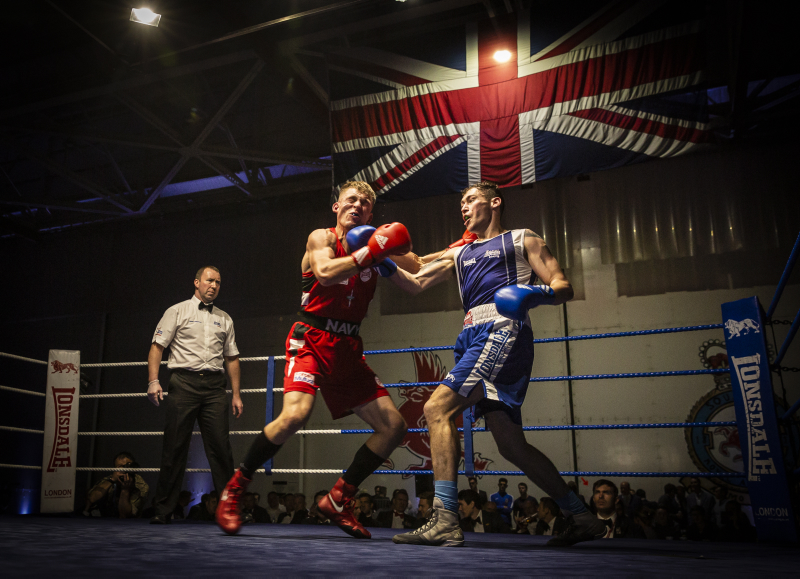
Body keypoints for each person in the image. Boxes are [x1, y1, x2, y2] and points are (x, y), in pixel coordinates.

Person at [388, 181, 606, 547]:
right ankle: (582, 517)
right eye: (460, 202)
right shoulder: (461, 252)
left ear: (495, 202)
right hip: (472, 335)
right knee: (510, 444)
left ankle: (444, 518)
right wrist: (377, 256)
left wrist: (533, 294)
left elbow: (562, 285)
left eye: (470, 199)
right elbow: (415, 279)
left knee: (437, 408)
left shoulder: (522, 239)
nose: (463, 206)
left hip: (503, 330)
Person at [215, 181, 414, 539]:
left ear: (371, 214)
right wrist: (372, 253)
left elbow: (415, 268)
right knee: (295, 415)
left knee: (394, 427)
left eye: (365, 204)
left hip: (348, 347)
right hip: (311, 337)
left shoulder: (376, 246)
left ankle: (340, 497)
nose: (358, 206)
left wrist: (459, 250)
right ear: (336, 207)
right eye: (351, 200)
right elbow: (324, 272)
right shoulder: (321, 238)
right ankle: (235, 487)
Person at [146, 266, 242, 524]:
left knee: (222, 449)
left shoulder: (225, 318)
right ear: (197, 282)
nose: (214, 285)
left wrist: (236, 394)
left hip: (214, 387)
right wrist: (153, 381)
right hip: (184, 383)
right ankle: (163, 510)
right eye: (210, 280)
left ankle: (228, 510)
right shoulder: (176, 311)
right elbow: (157, 347)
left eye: (219, 282)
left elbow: (232, 358)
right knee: (174, 447)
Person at [83, 451, 149, 519]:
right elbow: (92, 499)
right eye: (120, 467)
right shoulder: (110, 478)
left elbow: (124, 516)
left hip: (130, 523)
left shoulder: (141, 486)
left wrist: (125, 490)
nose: (124, 470)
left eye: (127, 466)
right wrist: (112, 480)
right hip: (105, 519)